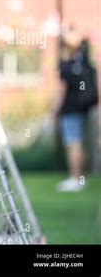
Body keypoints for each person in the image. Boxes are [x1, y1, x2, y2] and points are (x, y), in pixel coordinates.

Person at [51, 29, 98, 192]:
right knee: (79, 144)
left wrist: (53, 112)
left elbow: (61, 92)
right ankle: (81, 179)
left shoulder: (66, 67)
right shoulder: (87, 65)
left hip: (70, 110)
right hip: (84, 110)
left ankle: (75, 179)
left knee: (73, 143)